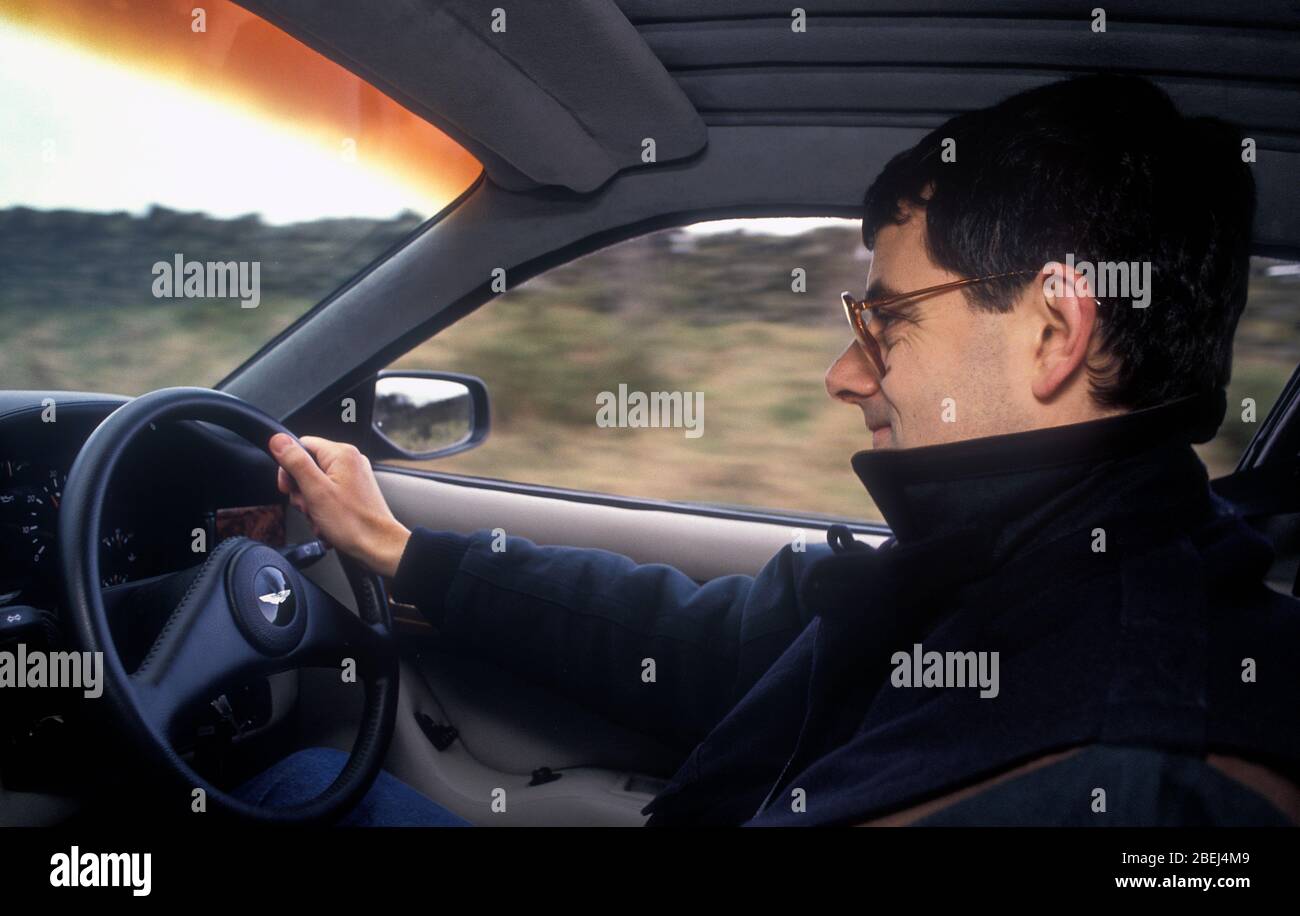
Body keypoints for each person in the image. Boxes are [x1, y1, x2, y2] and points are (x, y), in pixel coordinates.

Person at [248, 74, 1300, 826]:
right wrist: (401, 550)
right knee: (301, 783)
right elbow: (709, 639)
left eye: (886, 320)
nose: (844, 375)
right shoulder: (1005, 560)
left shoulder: (1131, 769)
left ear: (1053, 334)